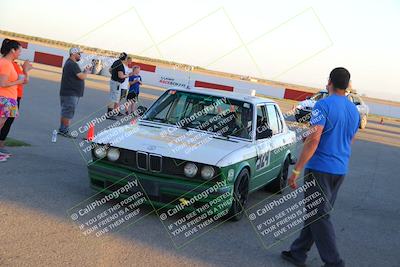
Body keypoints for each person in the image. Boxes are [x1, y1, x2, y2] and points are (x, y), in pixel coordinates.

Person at [281, 67, 359, 267]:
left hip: (320, 168)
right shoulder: (353, 110)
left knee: (319, 214)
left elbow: (314, 139)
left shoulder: (322, 105)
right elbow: (347, 139)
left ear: (330, 82)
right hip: (340, 169)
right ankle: (297, 252)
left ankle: (334, 263)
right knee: (317, 212)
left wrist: (297, 169)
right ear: (347, 85)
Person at [0, 39, 30, 162]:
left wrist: (24, 73)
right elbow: (3, 83)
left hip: (9, 99)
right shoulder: (6, 63)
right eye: (19, 50)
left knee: (1, 125)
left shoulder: (9, 63)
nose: (20, 53)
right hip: (5, 99)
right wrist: (19, 81)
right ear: (13, 50)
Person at [58, 47, 91, 138]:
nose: (80, 55)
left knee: (66, 112)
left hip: (69, 92)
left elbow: (78, 75)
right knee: (68, 112)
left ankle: (63, 129)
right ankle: (64, 130)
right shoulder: (72, 64)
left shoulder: (71, 63)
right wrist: (86, 72)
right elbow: (82, 77)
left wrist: (84, 71)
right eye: (79, 54)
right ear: (73, 54)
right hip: (70, 93)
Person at [108, 52, 132, 119]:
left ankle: (110, 113)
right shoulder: (120, 65)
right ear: (125, 58)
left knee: (112, 98)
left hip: (113, 81)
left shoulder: (116, 62)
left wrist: (113, 75)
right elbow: (121, 76)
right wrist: (128, 75)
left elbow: (110, 70)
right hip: (116, 83)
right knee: (114, 99)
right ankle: (109, 114)